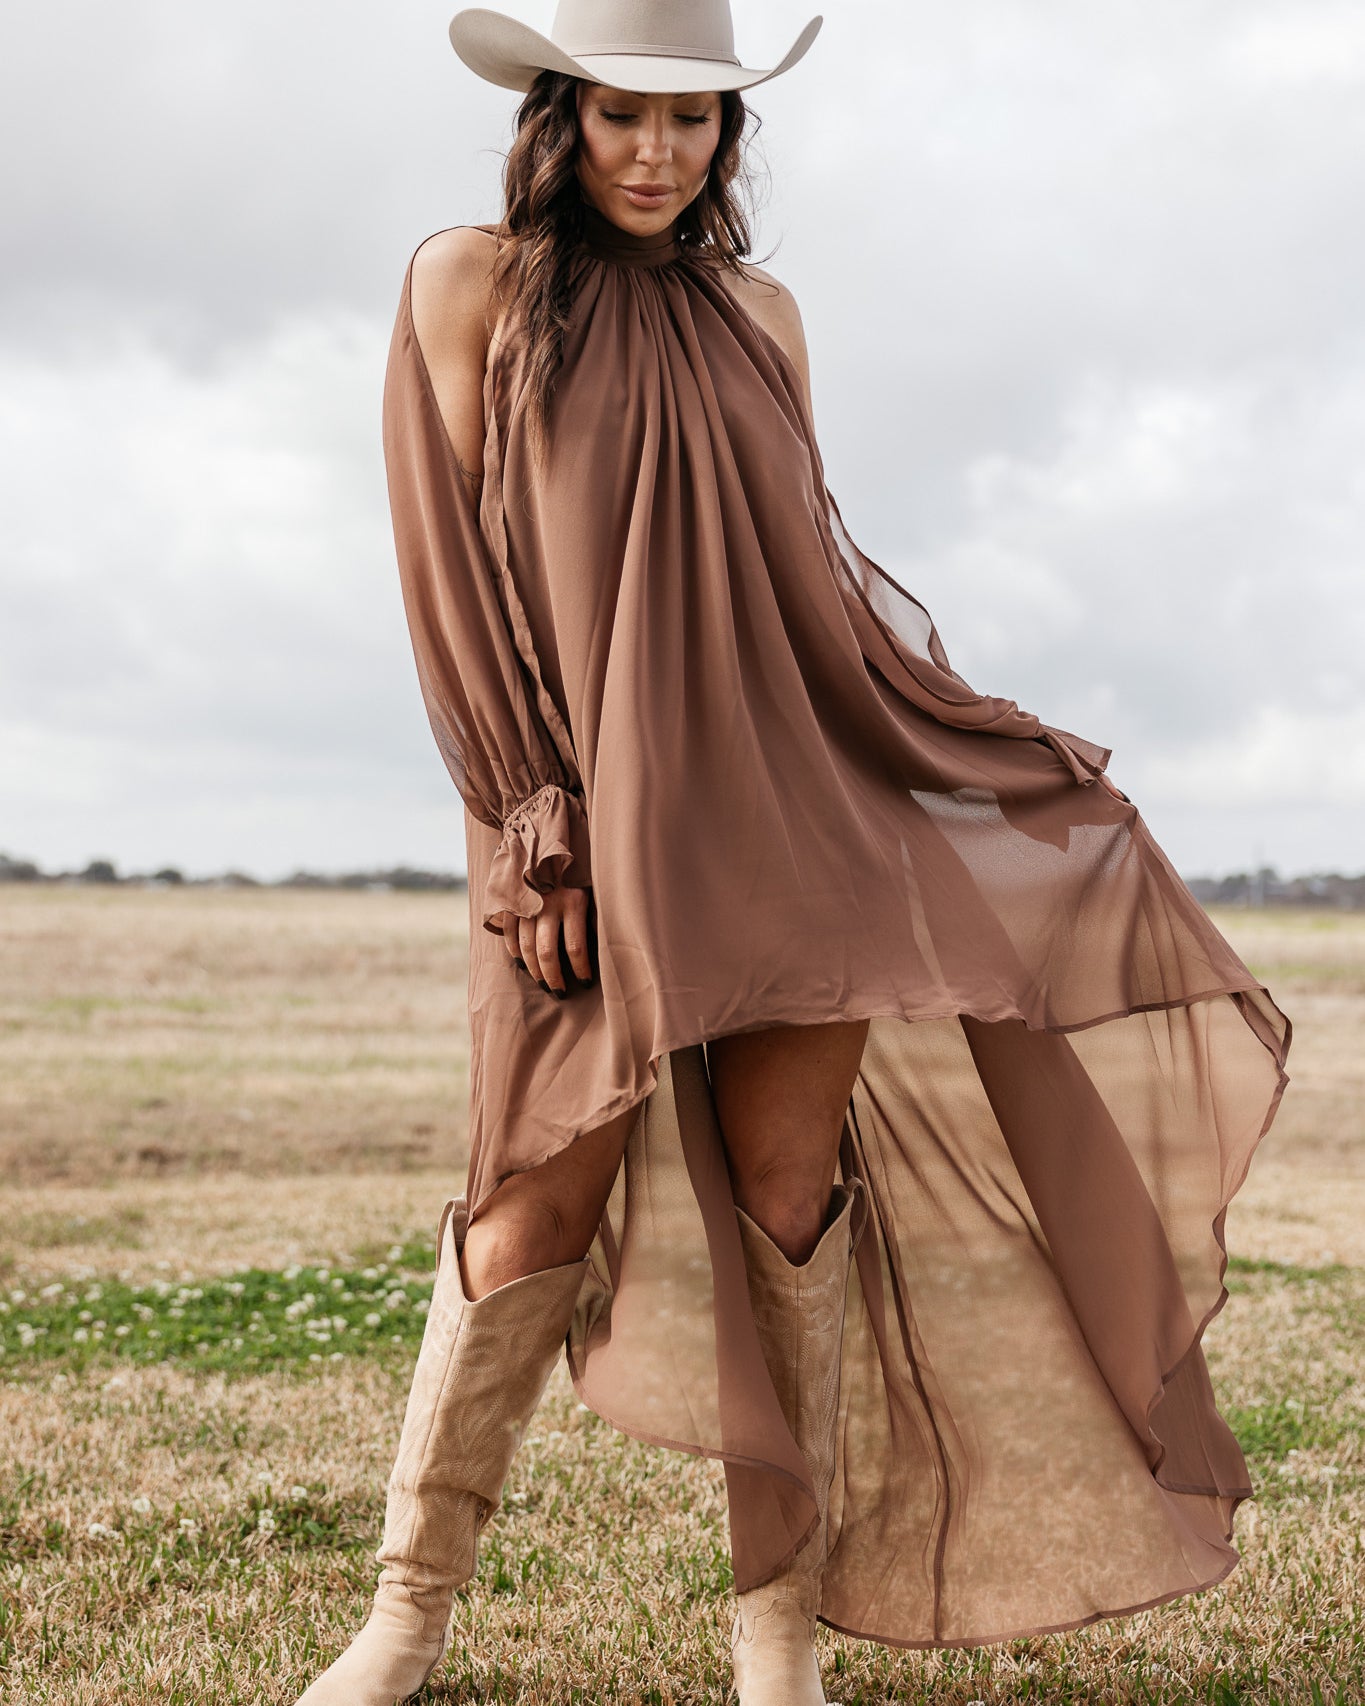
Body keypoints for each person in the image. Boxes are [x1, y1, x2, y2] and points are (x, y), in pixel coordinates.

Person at [295, 2, 1292, 1702]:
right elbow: (450, 579)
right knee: (529, 1206)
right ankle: (404, 1615)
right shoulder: (466, 283)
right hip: (580, 831)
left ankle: (775, 1644)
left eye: (693, 124)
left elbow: (802, 592)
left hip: (790, 820)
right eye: (622, 115)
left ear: (728, 139)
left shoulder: (763, 315)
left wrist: (948, 732)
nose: (658, 153)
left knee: (787, 1209)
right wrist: (534, 821)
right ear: (559, 113)